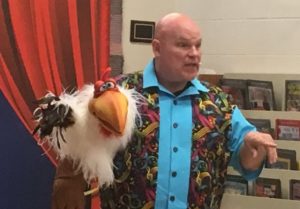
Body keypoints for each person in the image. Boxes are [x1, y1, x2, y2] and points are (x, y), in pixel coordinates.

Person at [51, 13, 277, 209]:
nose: (194, 53)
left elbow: (246, 159)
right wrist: (69, 178)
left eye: (198, 45)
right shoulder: (120, 93)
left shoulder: (219, 102)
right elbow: (81, 136)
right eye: (183, 45)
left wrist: (252, 153)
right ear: (157, 48)